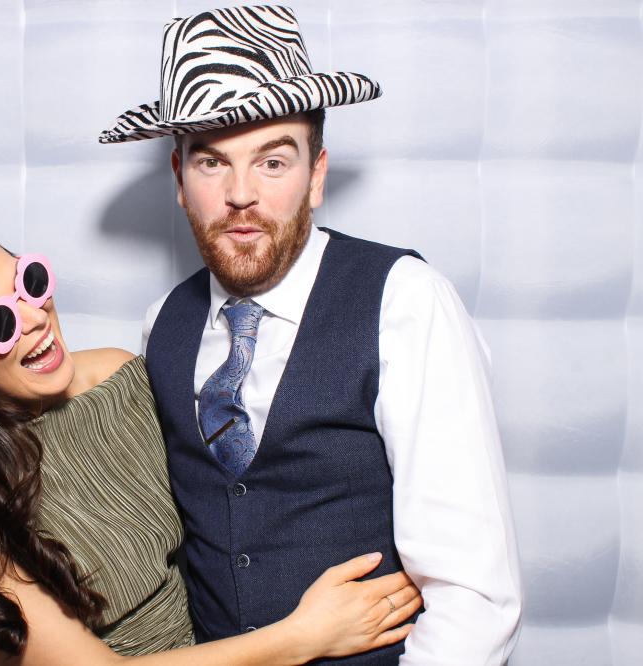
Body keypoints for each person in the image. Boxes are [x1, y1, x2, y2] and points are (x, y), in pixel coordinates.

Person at [100, 5, 522, 664]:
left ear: (316, 174)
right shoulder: (164, 325)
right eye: (212, 163)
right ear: (179, 180)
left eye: (273, 161)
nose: (241, 193)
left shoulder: (406, 303)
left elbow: (473, 600)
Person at [0, 221, 421, 665]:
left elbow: (234, 501)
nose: (36, 318)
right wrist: (303, 637)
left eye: (29, 283)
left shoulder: (118, 379)